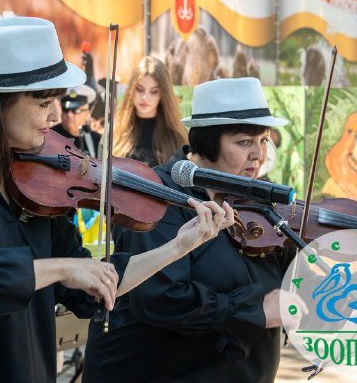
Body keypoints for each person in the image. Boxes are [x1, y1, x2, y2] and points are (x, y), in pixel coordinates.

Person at [0, 17, 235, 383]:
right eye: (44, 103)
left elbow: (91, 288)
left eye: (56, 101)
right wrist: (61, 268)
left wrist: (180, 246)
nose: (56, 117)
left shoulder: (39, 184)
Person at [84, 77, 299, 383]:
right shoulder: (155, 199)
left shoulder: (256, 200)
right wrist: (255, 309)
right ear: (207, 142)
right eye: (244, 142)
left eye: (263, 140)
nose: (258, 154)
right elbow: (159, 297)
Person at [112, 56, 186, 167]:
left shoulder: (176, 137)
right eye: (139, 89)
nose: (145, 97)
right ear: (131, 90)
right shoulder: (114, 132)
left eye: (154, 91)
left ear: (163, 94)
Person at [51, 84, 102, 157]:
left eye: (76, 110)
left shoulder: (96, 139)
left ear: (87, 113)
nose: (69, 115)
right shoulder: (50, 136)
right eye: (65, 109)